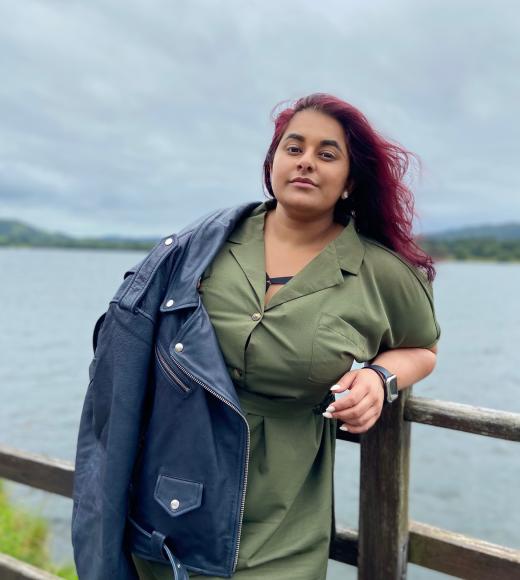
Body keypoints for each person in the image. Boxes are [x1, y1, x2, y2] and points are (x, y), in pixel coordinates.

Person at [72, 93, 440, 580]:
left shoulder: (381, 274)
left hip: (283, 516)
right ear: (273, 162)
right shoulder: (203, 246)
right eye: (294, 148)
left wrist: (379, 377)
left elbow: (422, 348)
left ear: (350, 181)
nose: (306, 162)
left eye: (327, 154)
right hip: (175, 498)